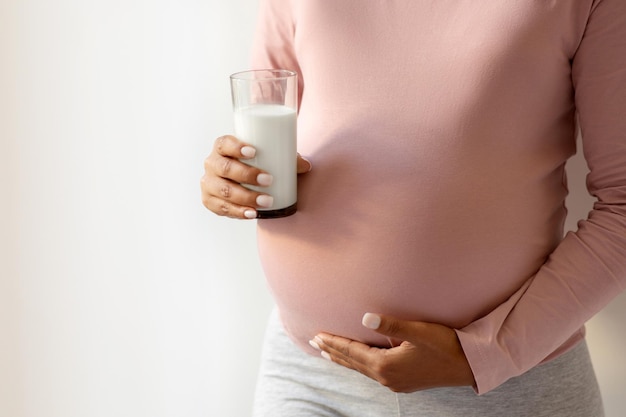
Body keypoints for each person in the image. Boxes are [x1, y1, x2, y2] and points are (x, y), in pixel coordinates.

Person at [201, 1, 626, 415]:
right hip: (311, 380)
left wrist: (490, 353)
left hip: (510, 393)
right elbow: (268, 137)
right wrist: (231, 179)